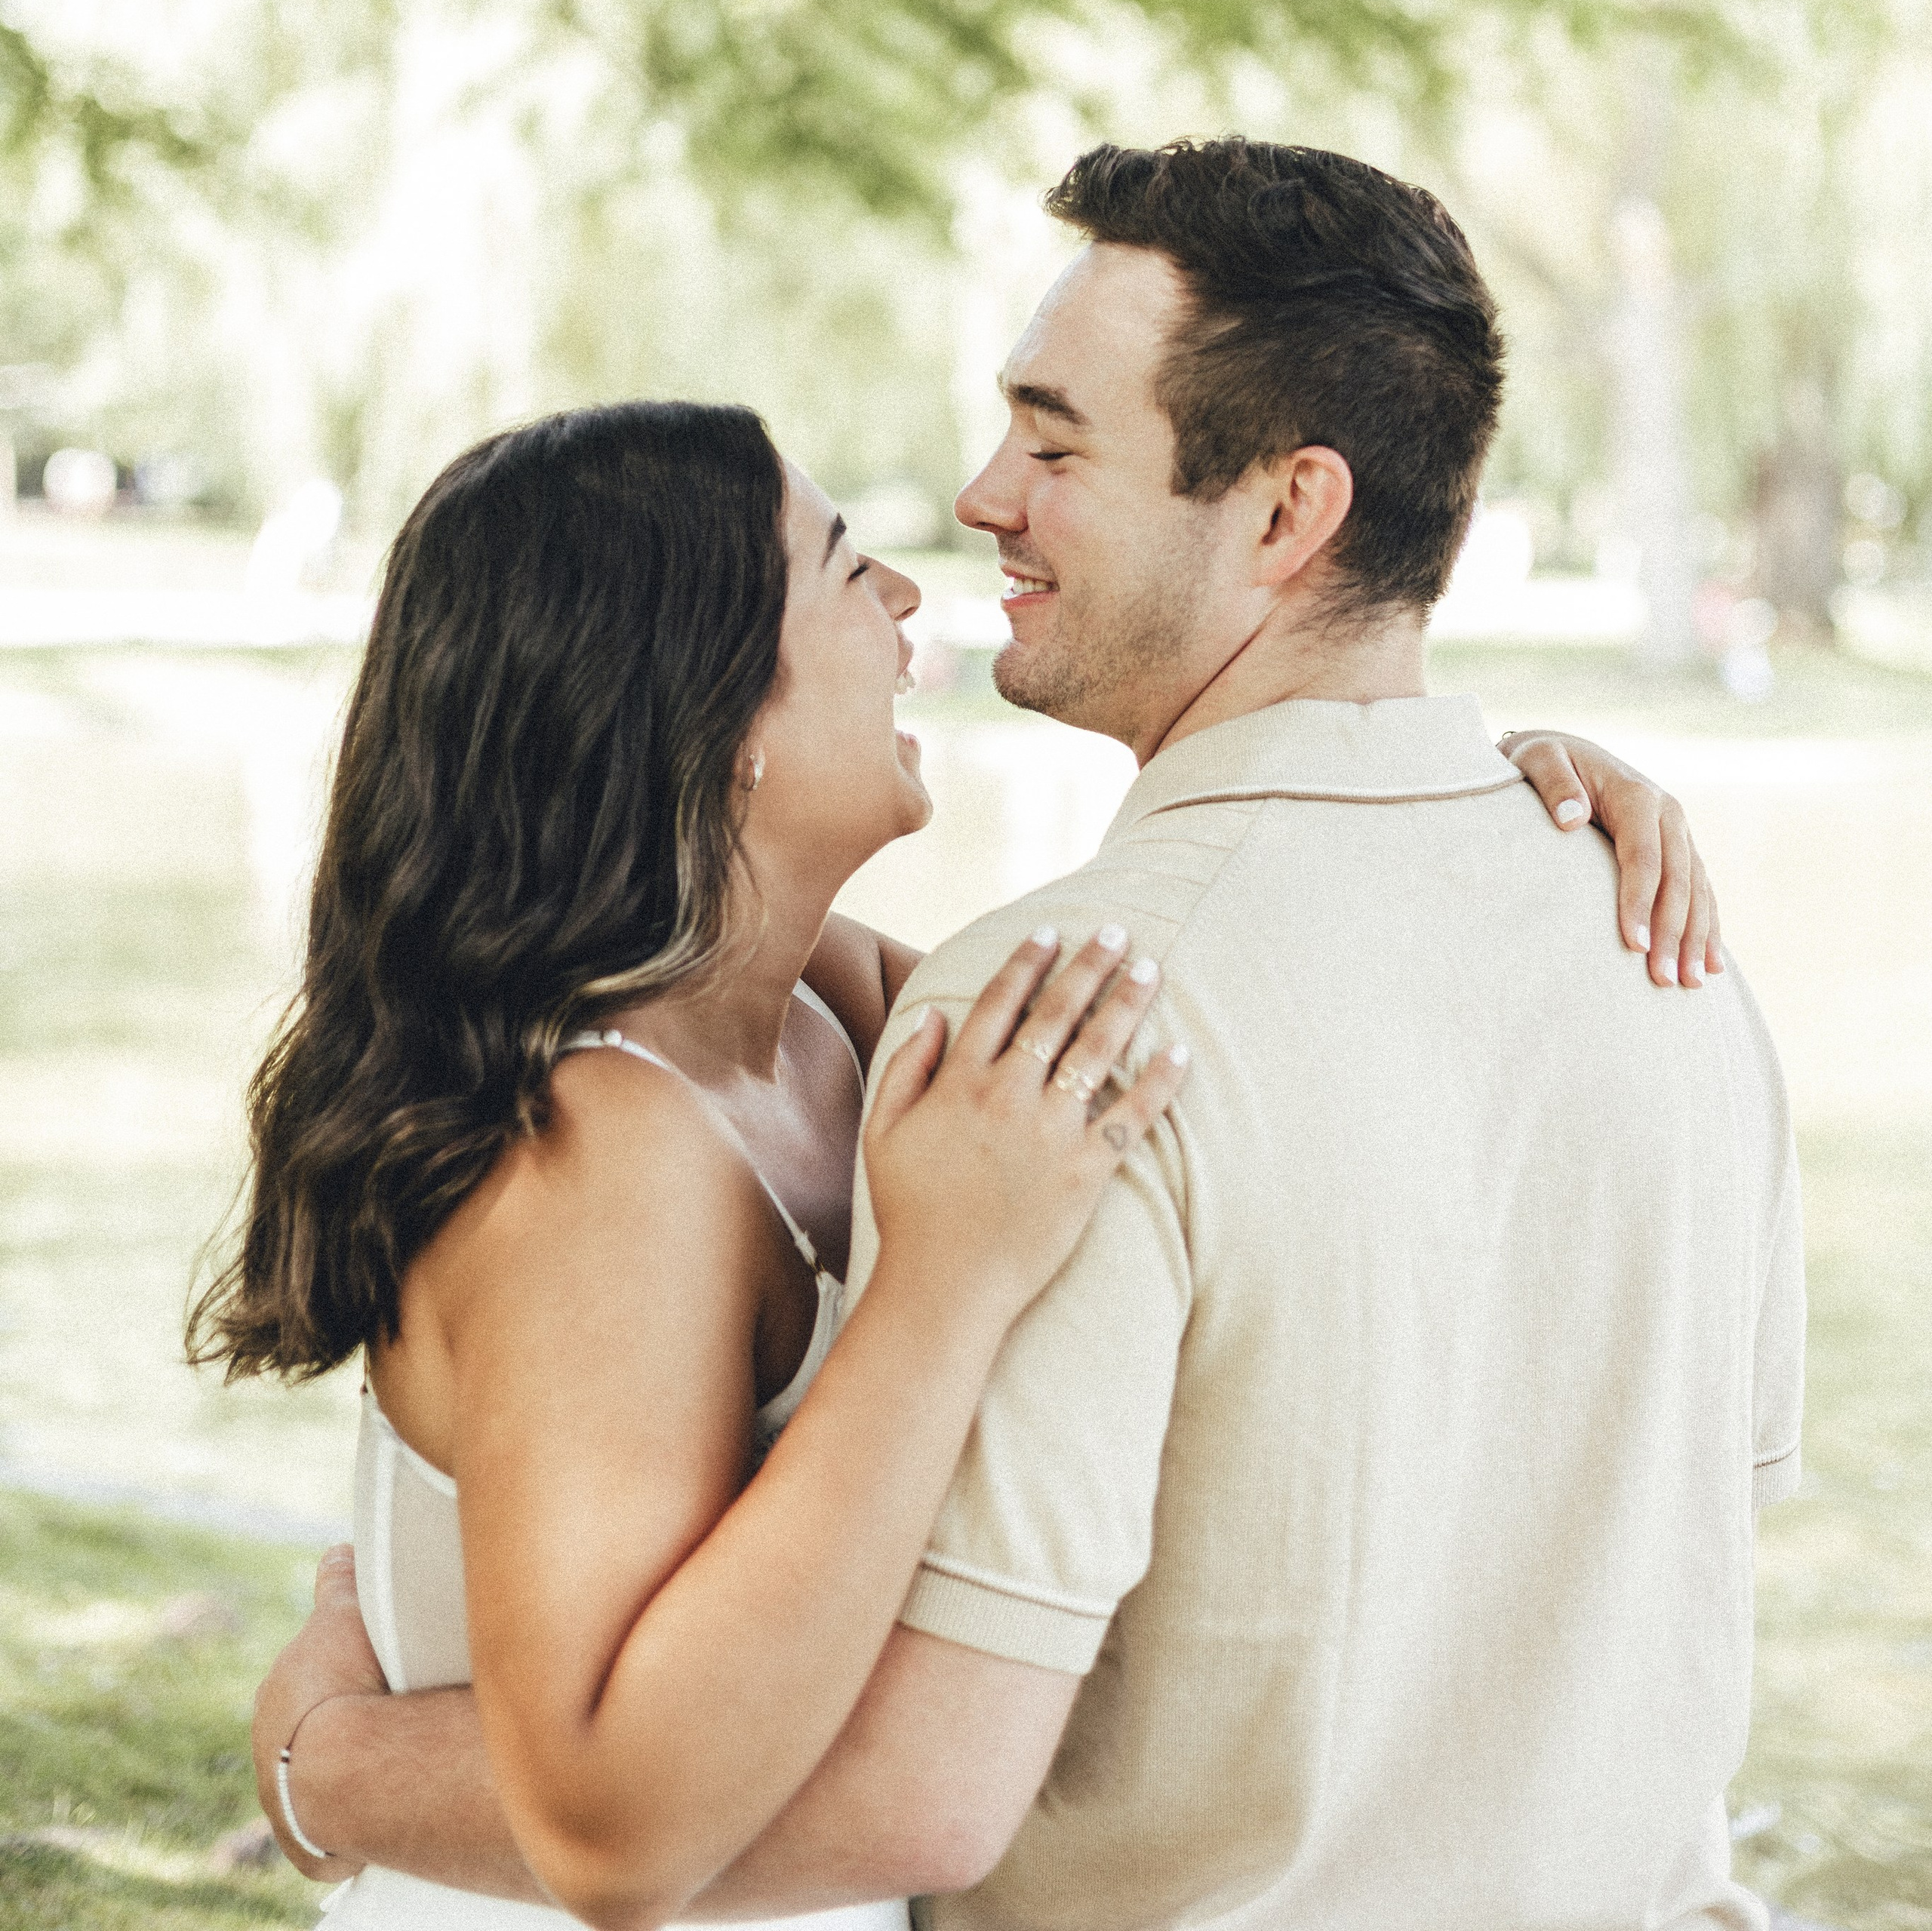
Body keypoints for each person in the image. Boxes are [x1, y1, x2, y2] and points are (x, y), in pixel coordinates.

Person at [251, 141, 1772, 1931]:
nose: (960, 524)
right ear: (699, 702)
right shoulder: (1659, 950)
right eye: (844, 567)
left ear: (1284, 515)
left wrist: (330, 1766)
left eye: (1053, 446)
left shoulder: (956, 1012)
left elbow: (914, 1793)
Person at [196, 399, 1189, 1931]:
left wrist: (1469, 793)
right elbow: (615, 1832)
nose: (909, 600)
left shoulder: (822, 1011)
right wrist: (943, 1281)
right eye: (849, 568)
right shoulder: (600, 1150)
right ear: (719, 716)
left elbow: (1172, 1070)